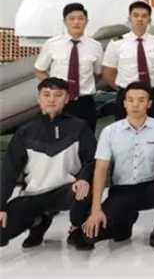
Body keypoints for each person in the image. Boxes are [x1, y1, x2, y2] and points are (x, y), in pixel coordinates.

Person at [81, 82, 154, 255]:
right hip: (121, 192)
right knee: (88, 237)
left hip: (150, 188)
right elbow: (100, 170)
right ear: (124, 103)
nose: (135, 104)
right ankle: (123, 226)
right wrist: (96, 210)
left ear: (149, 104)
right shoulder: (110, 132)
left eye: (141, 100)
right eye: (131, 100)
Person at [0, 78, 95, 250]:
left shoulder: (80, 127)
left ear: (67, 99)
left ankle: (76, 228)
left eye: (58, 95)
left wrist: (83, 178)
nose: (52, 99)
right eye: (46, 95)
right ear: (39, 98)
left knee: (85, 189)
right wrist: (0, 206)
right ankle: (39, 223)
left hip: (66, 191)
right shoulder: (25, 132)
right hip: (33, 194)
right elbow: (9, 171)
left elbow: (91, 160)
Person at [34, 2, 103, 131]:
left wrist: (82, 86)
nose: (76, 22)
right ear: (65, 22)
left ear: (86, 21)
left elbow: (98, 74)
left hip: (84, 103)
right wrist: (54, 88)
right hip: (58, 101)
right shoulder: (52, 44)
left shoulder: (95, 46)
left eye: (80, 18)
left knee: (85, 138)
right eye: (71, 18)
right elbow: (39, 70)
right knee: (55, 137)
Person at [102, 1, 154, 120]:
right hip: (126, 96)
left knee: (153, 128)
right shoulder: (116, 43)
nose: (140, 19)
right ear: (129, 18)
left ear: (149, 20)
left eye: (144, 16)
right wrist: (124, 89)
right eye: (136, 15)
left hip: (151, 95)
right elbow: (108, 73)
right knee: (123, 129)